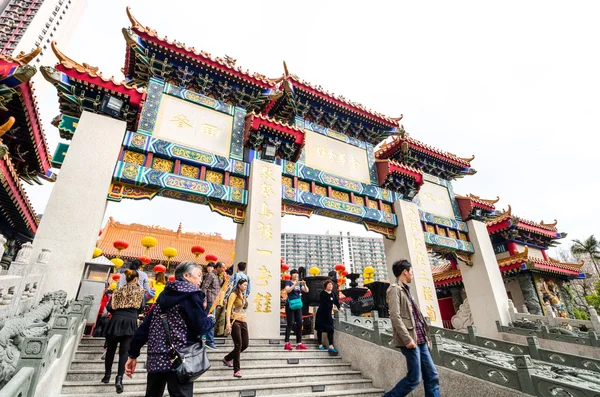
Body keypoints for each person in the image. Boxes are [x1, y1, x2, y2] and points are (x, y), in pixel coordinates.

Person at [126, 262, 215, 397]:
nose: (201, 280)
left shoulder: (163, 296)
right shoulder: (192, 294)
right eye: (199, 276)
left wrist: (133, 354)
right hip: (180, 357)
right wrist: (210, 319)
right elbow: (201, 326)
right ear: (186, 275)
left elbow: (145, 327)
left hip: (157, 358)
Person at [384, 259, 440, 397]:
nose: (412, 274)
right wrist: (407, 339)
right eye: (411, 272)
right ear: (405, 272)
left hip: (421, 340)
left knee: (432, 376)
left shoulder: (407, 291)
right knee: (414, 378)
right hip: (411, 341)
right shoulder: (394, 290)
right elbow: (395, 317)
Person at [102, 269, 145, 394]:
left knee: (110, 350)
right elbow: (141, 308)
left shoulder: (118, 290)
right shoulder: (140, 292)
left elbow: (109, 307)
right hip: (130, 322)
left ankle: (107, 375)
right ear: (136, 279)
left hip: (116, 320)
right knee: (124, 352)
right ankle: (119, 379)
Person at [222, 278, 248, 378]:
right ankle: (236, 370)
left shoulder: (244, 296)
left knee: (245, 344)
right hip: (235, 321)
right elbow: (228, 309)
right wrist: (228, 323)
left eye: (246, 285)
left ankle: (227, 358)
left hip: (243, 321)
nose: (245, 287)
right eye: (244, 285)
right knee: (238, 345)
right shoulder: (233, 295)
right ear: (239, 285)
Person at [283, 269, 309, 351]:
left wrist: (304, 285)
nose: (295, 275)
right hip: (290, 304)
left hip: (298, 305)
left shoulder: (299, 284)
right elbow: (287, 290)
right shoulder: (288, 282)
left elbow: (307, 290)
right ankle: (287, 342)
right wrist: (295, 285)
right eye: (294, 274)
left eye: (296, 274)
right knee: (290, 323)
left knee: (300, 322)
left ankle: (299, 343)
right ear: (291, 275)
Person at [315, 279, 340, 353]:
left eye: (331, 285)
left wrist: (339, 307)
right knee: (320, 329)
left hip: (328, 314)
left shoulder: (333, 294)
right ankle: (320, 344)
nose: (330, 286)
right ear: (325, 286)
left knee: (331, 329)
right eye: (329, 284)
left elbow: (336, 301)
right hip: (321, 314)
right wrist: (332, 307)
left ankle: (331, 345)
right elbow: (324, 303)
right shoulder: (322, 293)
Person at [201, 262, 220, 349]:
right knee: (211, 319)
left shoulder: (218, 276)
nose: (224, 269)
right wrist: (204, 300)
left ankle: (202, 337)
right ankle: (209, 341)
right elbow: (204, 287)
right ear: (218, 267)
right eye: (223, 268)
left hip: (214, 301)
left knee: (208, 319)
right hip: (209, 300)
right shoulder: (211, 275)